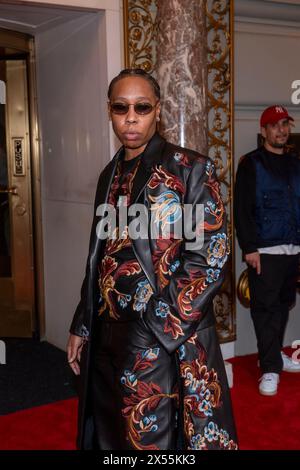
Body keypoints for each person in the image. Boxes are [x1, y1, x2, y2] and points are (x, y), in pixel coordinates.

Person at [67, 68, 237, 450]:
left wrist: (155, 331)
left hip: (160, 334)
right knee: (111, 435)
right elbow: (100, 256)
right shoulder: (107, 175)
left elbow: (209, 257)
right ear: (109, 111)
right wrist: (83, 321)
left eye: (141, 107)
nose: (131, 117)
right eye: (120, 107)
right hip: (107, 331)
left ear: (157, 111)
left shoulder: (189, 168)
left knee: (155, 441)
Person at [234, 105, 300, 397]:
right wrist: (249, 248)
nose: (281, 130)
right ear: (264, 131)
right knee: (264, 310)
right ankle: (270, 368)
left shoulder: (297, 164)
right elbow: (242, 210)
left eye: (285, 124)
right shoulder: (251, 164)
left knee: (283, 305)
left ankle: (270, 355)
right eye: (275, 125)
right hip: (264, 249)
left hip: (293, 248)